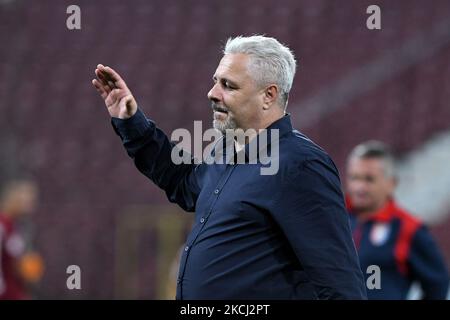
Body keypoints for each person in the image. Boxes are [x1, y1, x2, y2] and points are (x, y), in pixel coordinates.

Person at [92, 35, 366, 299]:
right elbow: (184, 183)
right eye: (215, 82)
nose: (212, 93)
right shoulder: (225, 148)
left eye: (229, 85)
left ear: (269, 95)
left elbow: (339, 282)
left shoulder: (301, 166)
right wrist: (131, 122)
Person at [345, 140, 449, 299]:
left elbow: (438, 285)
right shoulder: (334, 220)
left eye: (369, 179)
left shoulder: (408, 228)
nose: (360, 187)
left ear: (391, 183)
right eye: (354, 178)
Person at [0, 179, 44, 300]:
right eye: (26, 199)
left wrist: (25, 267)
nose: (30, 205)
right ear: (13, 197)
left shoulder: (14, 225)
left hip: (15, 291)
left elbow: (14, 263)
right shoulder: (2, 224)